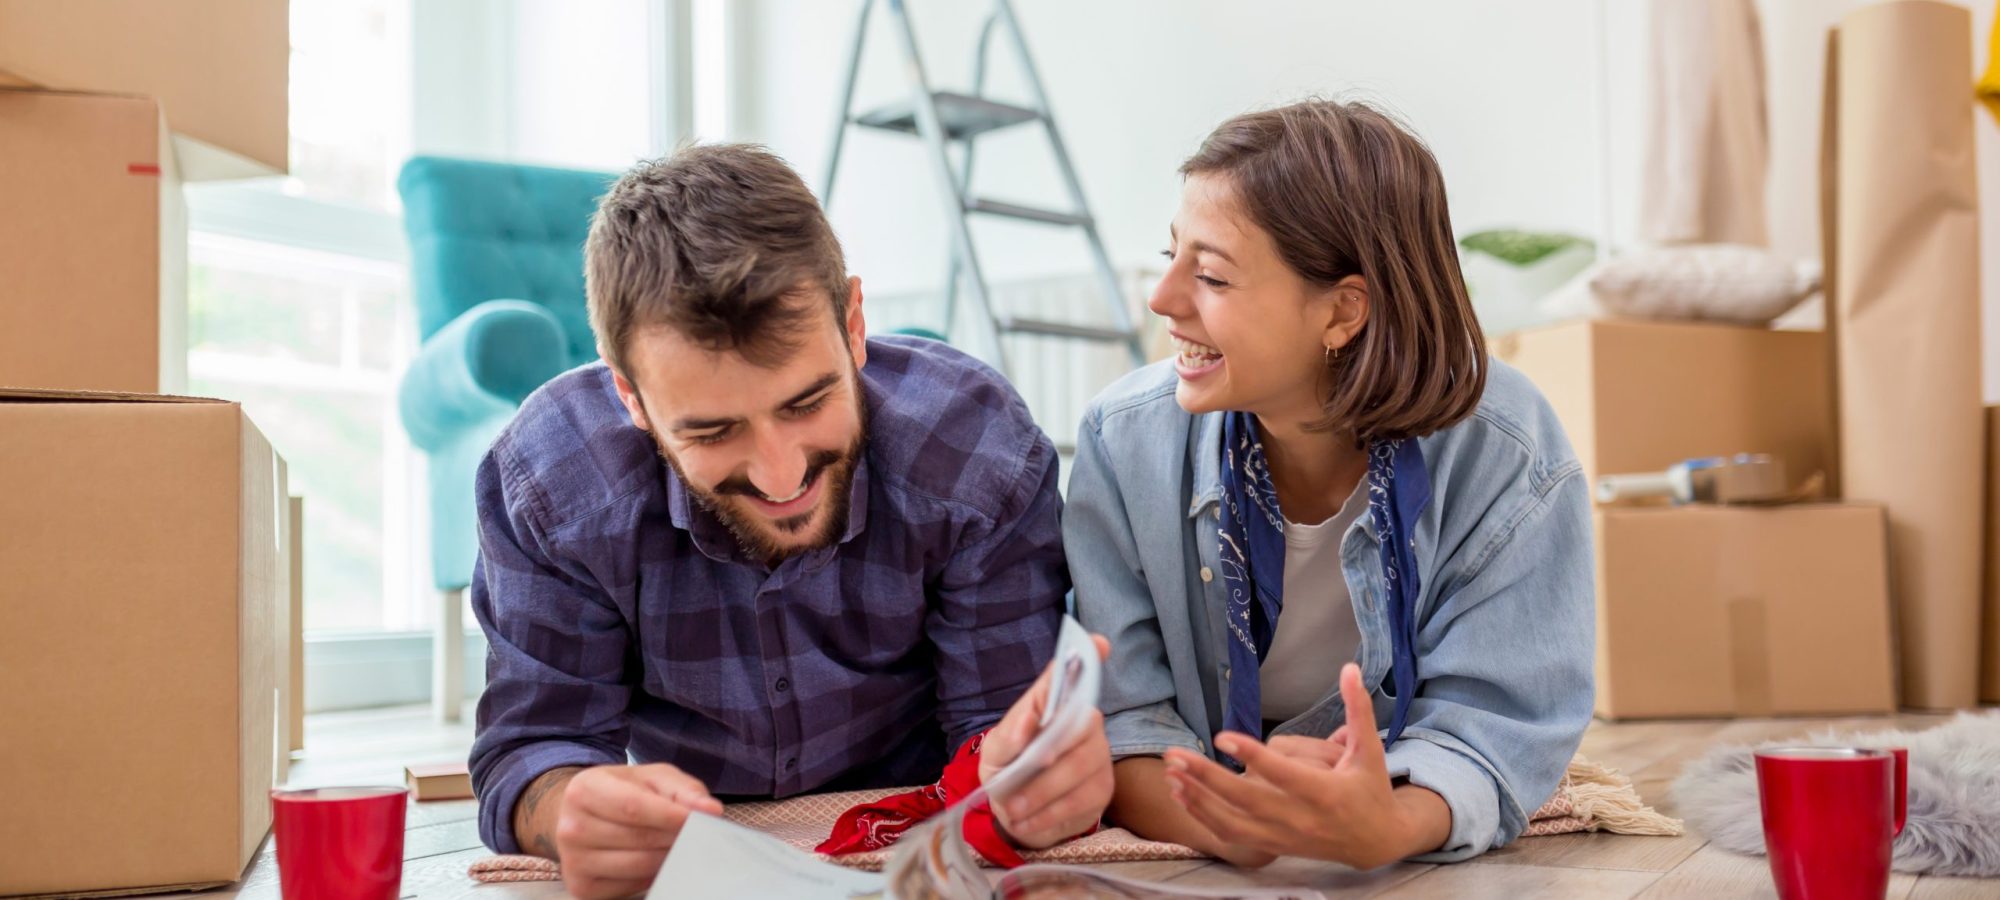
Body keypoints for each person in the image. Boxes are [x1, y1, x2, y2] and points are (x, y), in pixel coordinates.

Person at [467, 144, 1112, 899]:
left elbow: (998, 730)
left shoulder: (974, 453)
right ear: (631, 397)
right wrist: (568, 807)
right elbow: (534, 748)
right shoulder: (554, 485)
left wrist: (1026, 779)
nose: (781, 476)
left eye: (807, 403)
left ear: (854, 324)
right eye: (712, 432)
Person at [1065, 99, 1595, 868]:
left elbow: (1500, 722)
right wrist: (1245, 826)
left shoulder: (1506, 449)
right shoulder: (1122, 441)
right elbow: (1124, 721)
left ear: (1344, 311)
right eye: (1170, 255)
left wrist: (1390, 824)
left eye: (1210, 274)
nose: (1162, 298)